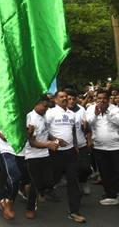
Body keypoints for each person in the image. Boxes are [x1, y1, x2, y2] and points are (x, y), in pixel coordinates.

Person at [45, 90, 85, 223]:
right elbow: (44, 131)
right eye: (61, 97)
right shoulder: (50, 113)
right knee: (53, 178)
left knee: (73, 181)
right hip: (55, 152)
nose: (65, 99)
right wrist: (56, 140)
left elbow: (73, 131)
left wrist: (75, 145)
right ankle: (45, 189)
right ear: (55, 100)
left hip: (70, 152)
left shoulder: (72, 114)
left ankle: (74, 211)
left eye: (66, 97)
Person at [25, 95, 59, 219]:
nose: (46, 109)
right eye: (44, 106)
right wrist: (48, 145)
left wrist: (55, 139)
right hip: (32, 156)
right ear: (37, 104)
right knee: (36, 183)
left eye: (47, 106)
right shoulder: (31, 118)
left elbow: (45, 132)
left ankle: (31, 187)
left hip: (45, 154)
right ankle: (30, 208)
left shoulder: (43, 116)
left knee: (49, 181)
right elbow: (32, 143)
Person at [84, 90, 119, 206]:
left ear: (108, 99)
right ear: (95, 99)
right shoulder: (91, 109)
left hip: (115, 147)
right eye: (99, 98)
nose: (101, 100)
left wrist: (107, 113)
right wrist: (95, 114)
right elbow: (88, 123)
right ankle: (111, 195)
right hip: (99, 147)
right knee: (104, 172)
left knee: (116, 171)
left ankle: (114, 193)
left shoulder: (115, 109)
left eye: (104, 98)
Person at [66, 89, 92, 195]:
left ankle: (84, 182)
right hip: (68, 146)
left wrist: (89, 139)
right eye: (69, 99)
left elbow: (87, 128)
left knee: (85, 167)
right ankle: (75, 188)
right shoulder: (61, 111)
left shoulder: (81, 109)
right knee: (72, 169)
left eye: (73, 99)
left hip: (82, 144)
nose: (71, 101)